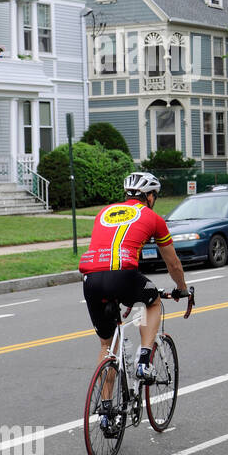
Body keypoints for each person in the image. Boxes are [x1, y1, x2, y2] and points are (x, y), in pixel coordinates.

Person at [79, 172, 190, 430]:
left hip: (91, 280)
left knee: (107, 346)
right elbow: (172, 262)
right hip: (123, 275)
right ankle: (143, 362)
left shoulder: (103, 213)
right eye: (155, 197)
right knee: (152, 303)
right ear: (149, 197)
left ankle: (106, 412)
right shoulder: (153, 218)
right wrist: (181, 288)